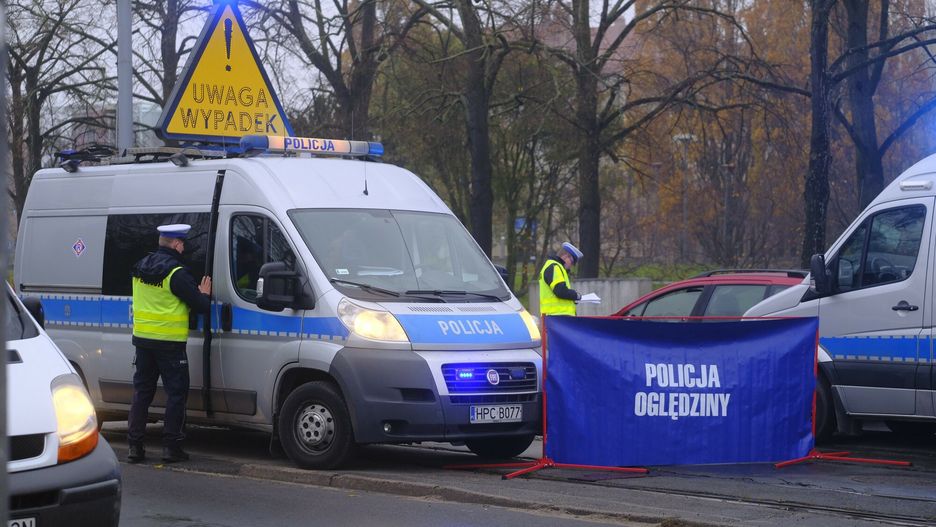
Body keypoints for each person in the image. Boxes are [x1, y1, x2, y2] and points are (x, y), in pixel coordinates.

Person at [127, 224, 211, 463]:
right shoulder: (177, 273)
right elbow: (201, 306)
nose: (184, 247)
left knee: (142, 392)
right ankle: (171, 447)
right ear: (175, 244)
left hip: (143, 341)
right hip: (170, 345)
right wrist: (203, 293)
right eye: (182, 243)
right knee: (176, 394)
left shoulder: (140, 267)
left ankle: (135, 446)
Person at [538, 242, 584, 316]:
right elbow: (560, 291)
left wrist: (572, 299)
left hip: (555, 316)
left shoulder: (552, 266)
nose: (571, 266)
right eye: (572, 262)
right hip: (558, 317)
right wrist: (576, 295)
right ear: (566, 256)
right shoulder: (555, 267)